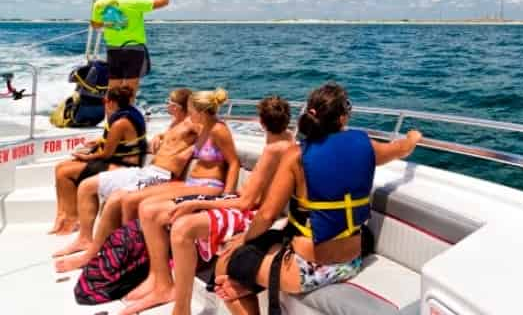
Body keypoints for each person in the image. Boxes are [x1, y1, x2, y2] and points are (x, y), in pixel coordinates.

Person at [213, 83, 423, 315]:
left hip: (308, 271)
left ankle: (242, 287)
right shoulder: (367, 146)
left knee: (225, 264)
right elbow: (402, 148)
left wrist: (244, 240)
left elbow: (267, 214)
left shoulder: (296, 156)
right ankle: (244, 286)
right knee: (272, 240)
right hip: (352, 262)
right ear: (343, 119)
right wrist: (412, 137)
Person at [119, 96, 295, 315]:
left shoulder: (273, 150)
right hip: (243, 204)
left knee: (183, 226)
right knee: (150, 212)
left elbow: (246, 202)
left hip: (248, 211)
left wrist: (196, 203)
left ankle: (179, 306)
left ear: (261, 122)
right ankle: (160, 281)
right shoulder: (288, 141)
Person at [52, 88, 238, 260]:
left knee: (124, 200)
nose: (167, 105)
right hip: (162, 174)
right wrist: (161, 136)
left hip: (178, 178)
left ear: (196, 110)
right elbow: (180, 138)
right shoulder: (187, 125)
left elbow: (233, 162)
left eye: (171, 102)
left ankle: (129, 254)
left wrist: (227, 198)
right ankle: (95, 242)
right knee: (90, 187)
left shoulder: (210, 128)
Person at [49, 86, 146, 235]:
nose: (104, 103)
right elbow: (119, 141)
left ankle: (72, 218)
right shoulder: (127, 114)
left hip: (125, 166)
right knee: (60, 167)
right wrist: (98, 141)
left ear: (112, 102)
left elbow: (106, 154)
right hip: (117, 160)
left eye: (105, 100)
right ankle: (62, 215)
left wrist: (85, 157)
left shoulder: (120, 122)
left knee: (64, 173)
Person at [91, 0, 169, 98]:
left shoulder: (100, 3)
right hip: (133, 50)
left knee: (113, 88)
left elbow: (95, 24)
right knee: (129, 91)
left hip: (112, 49)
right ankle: (126, 117)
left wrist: (112, 24)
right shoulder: (135, 0)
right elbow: (164, 1)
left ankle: (110, 117)